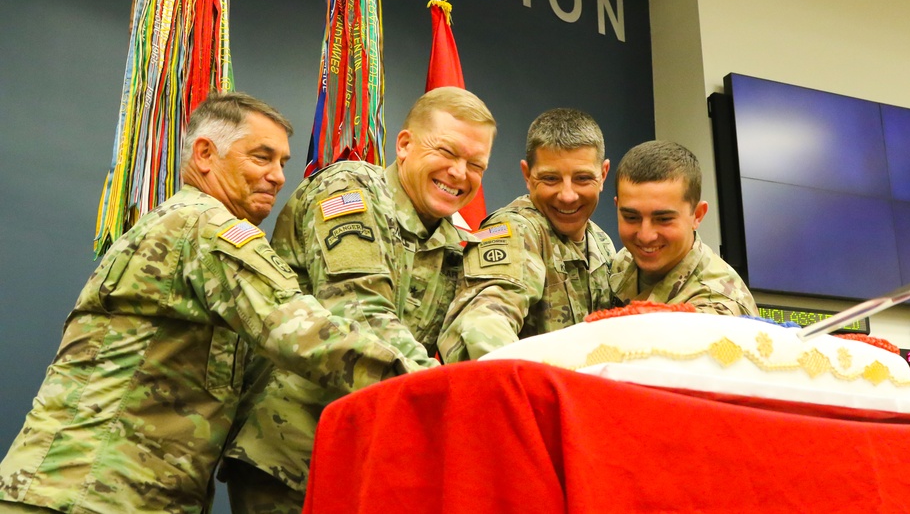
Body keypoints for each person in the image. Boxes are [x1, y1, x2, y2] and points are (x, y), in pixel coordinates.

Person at [0, 92, 421, 514]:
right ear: (205, 154)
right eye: (261, 157)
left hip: (113, 494)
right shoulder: (205, 226)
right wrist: (433, 388)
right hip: (87, 494)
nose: (277, 177)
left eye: (283, 164)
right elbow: (302, 332)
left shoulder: (186, 224)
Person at [222, 87, 496, 514]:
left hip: (373, 462)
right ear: (404, 145)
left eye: (476, 164)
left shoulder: (456, 243)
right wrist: (452, 402)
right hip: (292, 451)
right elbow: (357, 310)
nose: (460, 173)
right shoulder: (348, 189)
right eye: (447, 152)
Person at [438, 107, 617, 363]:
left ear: (603, 174)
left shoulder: (601, 242)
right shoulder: (516, 230)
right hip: (529, 396)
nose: (567, 195)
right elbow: (484, 320)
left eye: (582, 178)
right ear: (527, 176)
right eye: (551, 179)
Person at [612, 140, 758, 315]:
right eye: (631, 217)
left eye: (663, 219)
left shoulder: (718, 306)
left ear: (697, 215)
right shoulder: (623, 261)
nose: (645, 236)